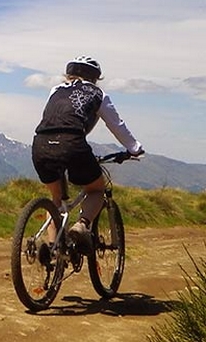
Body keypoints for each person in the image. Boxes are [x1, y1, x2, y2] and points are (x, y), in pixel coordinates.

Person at [31, 55, 144, 251]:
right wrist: (134, 148)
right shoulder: (98, 93)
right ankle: (81, 225)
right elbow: (117, 125)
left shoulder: (55, 90)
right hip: (72, 142)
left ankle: (53, 249)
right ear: (95, 78)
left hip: (41, 142)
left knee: (55, 200)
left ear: (68, 74)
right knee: (96, 189)